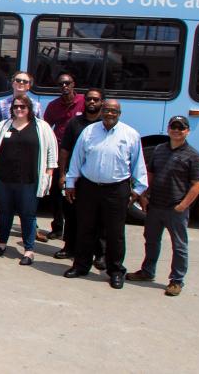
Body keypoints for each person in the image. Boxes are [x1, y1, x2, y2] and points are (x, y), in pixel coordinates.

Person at [63, 99, 149, 289]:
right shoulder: (89, 131)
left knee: (115, 233)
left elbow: (138, 164)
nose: (109, 114)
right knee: (85, 228)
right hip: (89, 187)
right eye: (107, 110)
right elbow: (77, 158)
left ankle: (116, 271)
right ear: (101, 111)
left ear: (119, 113)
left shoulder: (130, 134)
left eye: (114, 111)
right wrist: (70, 183)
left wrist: (138, 189)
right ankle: (81, 266)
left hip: (116, 189)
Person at [127, 116, 199, 297]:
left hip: (175, 209)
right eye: (173, 127)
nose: (176, 130)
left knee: (179, 246)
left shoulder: (194, 155)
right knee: (151, 240)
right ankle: (147, 271)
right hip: (155, 206)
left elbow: (197, 184)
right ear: (168, 129)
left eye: (181, 127)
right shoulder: (160, 149)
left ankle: (176, 280)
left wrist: (183, 205)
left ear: (187, 131)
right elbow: (151, 174)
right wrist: (144, 195)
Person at [0, 94, 58, 266]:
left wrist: (49, 172)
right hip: (4, 179)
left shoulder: (41, 127)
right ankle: (2, 243)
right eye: (16, 107)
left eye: (22, 107)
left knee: (28, 215)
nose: (18, 109)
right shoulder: (3, 126)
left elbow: (51, 152)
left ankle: (29, 250)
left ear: (29, 109)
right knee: (5, 213)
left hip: (29, 180)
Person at [53, 88, 105, 260]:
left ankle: (100, 254)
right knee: (71, 213)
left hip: (96, 179)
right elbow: (65, 150)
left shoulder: (105, 123)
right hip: (75, 176)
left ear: (101, 103)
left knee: (98, 218)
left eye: (95, 100)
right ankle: (69, 247)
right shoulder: (74, 123)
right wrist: (62, 175)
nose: (92, 102)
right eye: (89, 99)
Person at [40, 71, 84, 241]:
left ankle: (75, 230)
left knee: (77, 193)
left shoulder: (83, 102)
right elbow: (45, 128)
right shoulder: (53, 105)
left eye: (67, 83)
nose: (64, 87)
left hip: (79, 155)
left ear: (74, 84)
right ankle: (58, 227)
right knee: (56, 193)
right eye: (61, 84)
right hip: (59, 154)